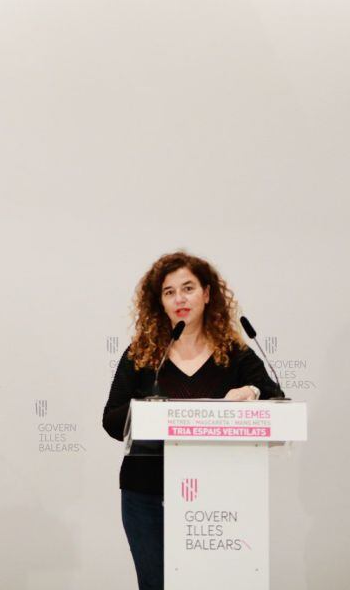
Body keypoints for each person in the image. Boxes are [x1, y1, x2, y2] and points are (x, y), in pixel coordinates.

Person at [102, 251, 279, 590]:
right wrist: (149, 412)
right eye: (169, 292)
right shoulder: (143, 353)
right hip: (147, 494)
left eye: (188, 288)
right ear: (160, 302)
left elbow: (273, 398)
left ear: (208, 294)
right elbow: (111, 420)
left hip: (218, 497)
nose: (179, 299)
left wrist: (253, 392)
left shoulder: (234, 352)